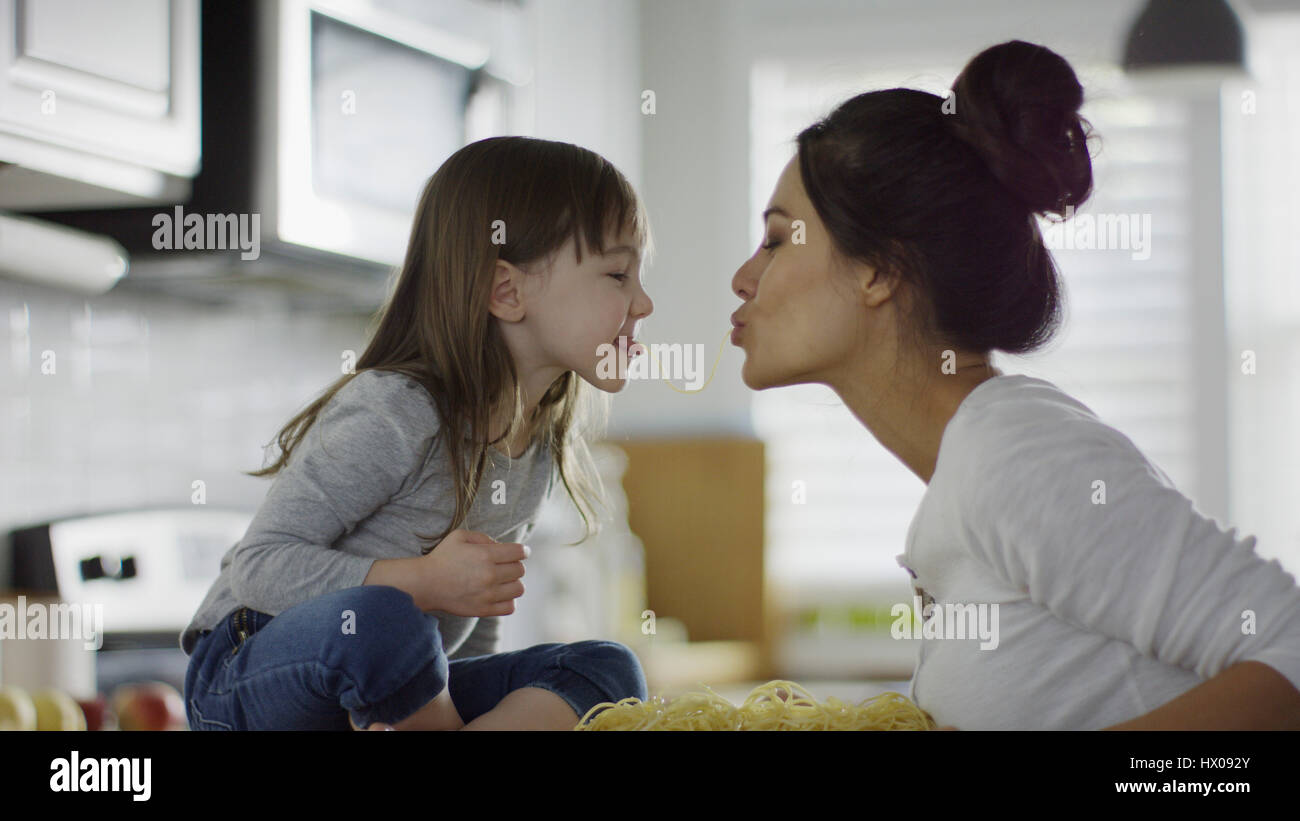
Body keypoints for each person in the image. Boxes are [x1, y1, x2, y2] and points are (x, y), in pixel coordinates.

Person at [728, 40, 1300, 730]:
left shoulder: (1014, 451)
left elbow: (1289, 649)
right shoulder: (968, 474)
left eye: (778, 238)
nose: (744, 277)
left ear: (878, 269)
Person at [181, 136, 655, 730]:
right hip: (246, 673)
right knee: (386, 616)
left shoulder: (535, 444)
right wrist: (423, 582)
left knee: (606, 670)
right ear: (506, 292)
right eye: (617, 274)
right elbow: (258, 566)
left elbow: (477, 619)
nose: (644, 302)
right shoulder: (399, 410)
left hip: (392, 697)